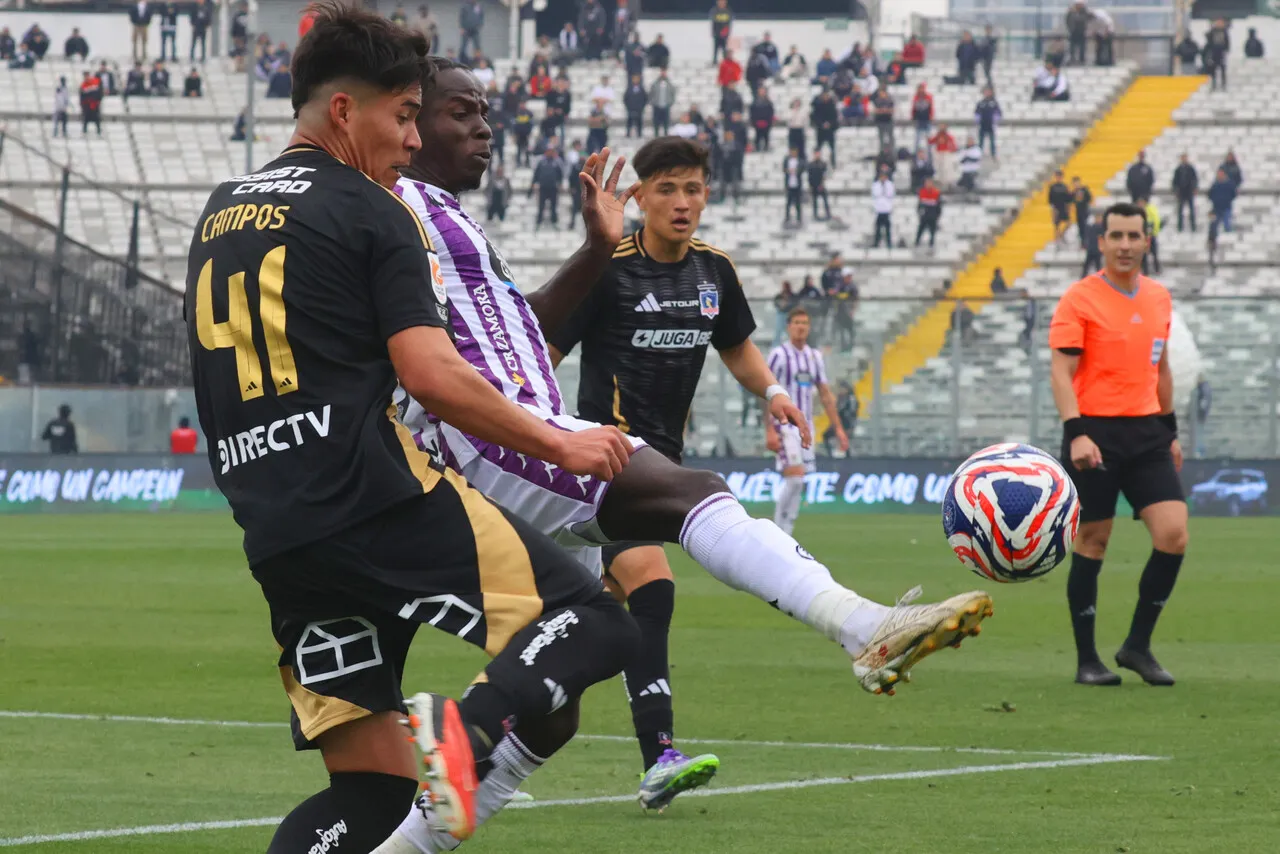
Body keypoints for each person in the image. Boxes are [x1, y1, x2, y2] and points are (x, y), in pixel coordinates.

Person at [393, 117, 993, 842]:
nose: (683, 202)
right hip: (577, 454)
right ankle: (854, 632)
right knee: (675, 537)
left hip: (611, 458)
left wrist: (773, 393)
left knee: (575, 674)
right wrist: (541, 434)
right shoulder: (570, 256)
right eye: (669, 189)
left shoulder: (712, 271)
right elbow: (530, 356)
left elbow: (737, 347)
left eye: (694, 190)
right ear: (641, 197)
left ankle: (419, 823)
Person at [188, 16, 643, 850]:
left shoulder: (222, 212)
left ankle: (433, 761)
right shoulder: (374, 210)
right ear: (340, 111)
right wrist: (561, 444)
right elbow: (432, 373)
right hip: (377, 497)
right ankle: (460, 734)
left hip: (281, 531)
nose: (408, 140)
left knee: (367, 792)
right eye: (401, 116)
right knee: (602, 621)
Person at [1049, 201, 1187, 689]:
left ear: (1147, 241)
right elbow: (1062, 373)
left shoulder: (1158, 298)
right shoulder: (1079, 298)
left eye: (1134, 236)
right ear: (1101, 242)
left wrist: (1171, 433)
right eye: (1116, 236)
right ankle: (1088, 660)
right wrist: (1076, 433)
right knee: (1094, 541)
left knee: (1174, 534)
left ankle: (1137, 646)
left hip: (1148, 432)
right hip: (1096, 433)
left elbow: (1161, 369)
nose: (1125, 245)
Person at [766, 307, 847, 534]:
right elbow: (766, 393)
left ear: (809, 328)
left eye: (805, 323)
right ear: (788, 326)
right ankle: (778, 530)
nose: (801, 327)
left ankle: (786, 532)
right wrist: (769, 431)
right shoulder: (779, 355)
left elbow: (824, 393)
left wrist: (838, 428)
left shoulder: (814, 357)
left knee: (800, 481)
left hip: (805, 426)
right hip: (783, 425)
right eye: (797, 322)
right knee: (794, 479)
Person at [529, 145, 565, 230]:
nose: (550, 153)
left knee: (553, 206)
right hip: (543, 187)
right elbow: (536, 174)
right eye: (549, 151)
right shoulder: (541, 162)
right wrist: (533, 183)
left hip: (553, 188)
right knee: (541, 206)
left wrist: (560, 183)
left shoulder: (557, 162)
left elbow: (560, 174)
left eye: (551, 151)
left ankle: (554, 222)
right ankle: (538, 223)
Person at [1172, 153, 1198, 232]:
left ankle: (1193, 227)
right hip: (1181, 192)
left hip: (1189, 192)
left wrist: (1194, 188)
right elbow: (1175, 181)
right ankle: (1180, 227)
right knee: (1180, 211)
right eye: (1183, 158)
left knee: (1191, 210)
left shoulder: (1190, 168)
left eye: (1185, 158)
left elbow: (1195, 179)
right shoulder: (1178, 169)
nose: (1184, 159)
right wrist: (1176, 190)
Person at [974, 86, 1001, 159]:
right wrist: (977, 120)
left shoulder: (994, 103)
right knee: (981, 141)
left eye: (988, 92)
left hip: (990, 124)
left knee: (992, 141)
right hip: (982, 124)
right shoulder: (981, 102)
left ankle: (993, 154)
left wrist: (996, 120)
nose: (987, 93)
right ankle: (978, 154)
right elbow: (977, 112)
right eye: (985, 92)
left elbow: (998, 112)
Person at [871, 165, 894, 248]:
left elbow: (890, 194)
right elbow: (876, 194)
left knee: (887, 228)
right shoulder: (876, 185)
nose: (883, 178)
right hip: (879, 209)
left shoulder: (890, 184)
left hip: (887, 209)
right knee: (878, 228)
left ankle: (889, 243)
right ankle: (876, 243)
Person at [916, 177, 942, 249]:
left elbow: (939, 206)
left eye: (929, 183)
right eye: (927, 183)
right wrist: (919, 213)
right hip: (924, 215)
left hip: (932, 215)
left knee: (932, 231)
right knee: (920, 229)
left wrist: (937, 215)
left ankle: (931, 243)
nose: (928, 184)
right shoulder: (922, 192)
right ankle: (917, 242)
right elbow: (919, 204)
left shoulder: (936, 193)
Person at [1207, 168, 1236, 233]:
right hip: (1216, 208)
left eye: (1221, 174)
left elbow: (1233, 194)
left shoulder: (1229, 184)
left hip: (1226, 207)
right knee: (1214, 225)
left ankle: (1228, 238)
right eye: (1219, 174)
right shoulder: (1215, 184)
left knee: (1227, 224)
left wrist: (1227, 200)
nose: (1220, 175)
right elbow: (1210, 194)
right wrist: (1215, 200)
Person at [1204, 18, 1229, 91]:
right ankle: (1213, 84)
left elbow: (1227, 42)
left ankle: (1223, 84)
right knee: (1213, 69)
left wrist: (1226, 50)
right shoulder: (1212, 31)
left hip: (1221, 53)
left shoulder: (1224, 32)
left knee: (1222, 68)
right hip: (1214, 52)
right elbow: (1208, 40)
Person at [1049, 170, 1071, 245]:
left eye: (1059, 176)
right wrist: (1053, 210)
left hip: (1063, 207)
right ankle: (1056, 240)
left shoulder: (1065, 187)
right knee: (1056, 225)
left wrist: (1068, 209)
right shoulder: (1052, 187)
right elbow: (1050, 200)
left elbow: (1068, 199)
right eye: (1057, 176)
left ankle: (1061, 235)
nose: (1058, 178)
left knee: (1068, 223)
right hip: (1056, 208)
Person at [650, 69, 675, 137]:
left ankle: (665, 135)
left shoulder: (669, 84)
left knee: (666, 122)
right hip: (657, 105)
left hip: (666, 105)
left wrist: (670, 102)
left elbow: (673, 93)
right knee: (656, 121)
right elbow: (651, 93)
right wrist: (653, 102)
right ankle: (656, 134)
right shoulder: (655, 83)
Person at [911, 82, 934, 154]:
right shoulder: (916, 97)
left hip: (927, 120)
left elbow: (931, 107)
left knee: (928, 139)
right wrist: (913, 116)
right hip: (919, 120)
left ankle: (929, 154)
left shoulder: (928, 97)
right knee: (917, 140)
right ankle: (916, 155)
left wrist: (931, 116)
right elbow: (913, 108)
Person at [782, 147, 803, 225]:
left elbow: (802, 169)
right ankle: (787, 217)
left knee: (798, 202)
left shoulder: (799, 161)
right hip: (789, 185)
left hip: (797, 185)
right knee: (788, 203)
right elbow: (784, 169)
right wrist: (789, 171)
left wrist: (796, 171)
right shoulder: (787, 160)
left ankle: (799, 218)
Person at [808, 150, 830, 221]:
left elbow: (825, 174)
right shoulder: (811, 164)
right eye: (816, 154)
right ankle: (815, 215)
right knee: (815, 201)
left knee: (825, 200)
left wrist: (822, 184)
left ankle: (828, 214)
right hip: (814, 185)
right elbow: (810, 176)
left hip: (821, 185)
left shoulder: (823, 164)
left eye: (818, 154)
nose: (817, 155)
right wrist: (811, 185)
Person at [1065, 1, 1090, 65]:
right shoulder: (1071, 12)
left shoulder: (1084, 12)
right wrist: (1070, 28)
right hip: (1073, 32)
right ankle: (1072, 59)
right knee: (1072, 47)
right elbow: (1067, 20)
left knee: (1082, 47)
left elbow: (1085, 19)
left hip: (1081, 32)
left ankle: (1082, 60)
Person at [79, 70, 103, 136]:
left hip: (94, 106)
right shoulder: (83, 86)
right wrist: (83, 106)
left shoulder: (94, 84)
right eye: (85, 76)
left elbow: (99, 94)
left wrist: (97, 101)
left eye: (87, 75)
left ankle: (99, 132)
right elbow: (81, 98)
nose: (86, 77)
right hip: (87, 107)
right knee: (85, 120)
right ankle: (84, 132)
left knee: (97, 119)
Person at [1141, 197, 1162, 275]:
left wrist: (1153, 231)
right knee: (1147, 255)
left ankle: (1154, 270)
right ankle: (1150, 271)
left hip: (1150, 235)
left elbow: (1154, 221)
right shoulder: (1150, 209)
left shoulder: (1148, 210)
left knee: (1152, 254)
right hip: (1148, 235)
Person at [623, 73, 647, 138]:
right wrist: (628, 107)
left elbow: (645, 99)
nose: (635, 80)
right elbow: (625, 98)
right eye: (634, 79)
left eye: (637, 79)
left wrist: (642, 107)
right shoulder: (629, 89)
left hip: (639, 109)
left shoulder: (641, 89)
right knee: (629, 122)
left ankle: (639, 134)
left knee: (639, 122)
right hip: (631, 108)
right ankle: (628, 134)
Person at [1071, 177, 1092, 247]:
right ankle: (1082, 243)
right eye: (1074, 183)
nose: (1076, 184)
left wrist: (1083, 200)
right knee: (1080, 228)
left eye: (1077, 182)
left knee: (1085, 228)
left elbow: (1089, 198)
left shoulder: (1084, 189)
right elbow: (1072, 201)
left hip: (1085, 212)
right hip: (1078, 213)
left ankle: (1086, 242)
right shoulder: (1073, 192)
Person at [710, 0, 732, 64]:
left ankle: (725, 62)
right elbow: (713, 23)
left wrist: (727, 32)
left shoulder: (728, 11)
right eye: (720, 2)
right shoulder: (714, 11)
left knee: (724, 49)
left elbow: (729, 23)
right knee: (715, 49)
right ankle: (714, 62)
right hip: (716, 34)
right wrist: (714, 32)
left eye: (723, 2)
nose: (721, 3)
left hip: (724, 34)